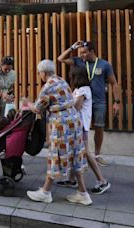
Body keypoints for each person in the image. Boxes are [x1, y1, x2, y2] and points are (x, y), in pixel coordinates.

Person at [25, 60, 92, 206]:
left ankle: (46, 192)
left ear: (43, 72)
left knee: (55, 154)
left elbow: (37, 109)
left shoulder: (47, 87)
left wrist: (27, 103)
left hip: (61, 123)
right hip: (74, 120)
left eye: (39, 73)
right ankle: (83, 193)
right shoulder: (62, 81)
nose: (39, 75)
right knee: (75, 154)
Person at [58, 41, 119, 167]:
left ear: (92, 51)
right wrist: (72, 47)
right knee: (81, 128)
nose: (82, 55)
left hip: (98, 101)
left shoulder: (104, 64)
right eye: (81, 53)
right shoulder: (79, 61)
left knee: (99, 127)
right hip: (83, 101)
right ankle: (83, 154)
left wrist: (116, 102)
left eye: (85, 52)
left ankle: (96, 156)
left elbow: (114, 83)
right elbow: (60, 59)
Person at [57, 66, 111, 194]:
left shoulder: (84, 90)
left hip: (81, 126)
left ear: (77, 77)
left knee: (86, 152)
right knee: (74, 152)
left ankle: (102, 181)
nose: (70, 78)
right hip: (76, 126)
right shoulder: (78, 89)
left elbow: (76, 106)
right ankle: (71, 179)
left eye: (72, 76)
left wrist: (62, 106)